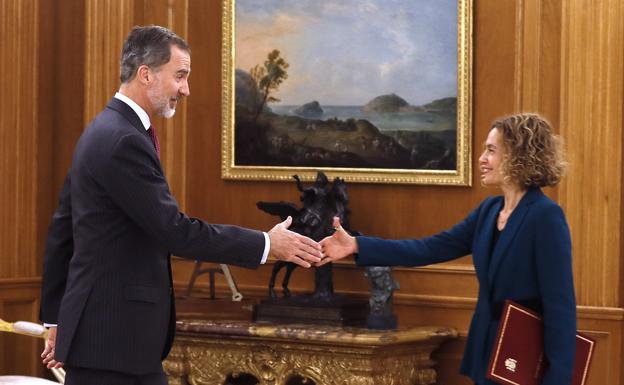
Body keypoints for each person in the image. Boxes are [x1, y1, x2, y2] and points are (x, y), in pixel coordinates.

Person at [39, 25, 322, 385]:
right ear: (146, 74)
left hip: (109, 342)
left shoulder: (103, 131)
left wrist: (56, 318)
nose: (186, 89)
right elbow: (174, 230)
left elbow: (63, 228)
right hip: (114, 342)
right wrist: (267, 245)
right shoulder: (122, 140)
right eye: (180, 76)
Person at [319, 113, 576, 385]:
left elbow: (559, 306)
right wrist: (357, 244)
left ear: (517, 156)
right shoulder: (489, 212)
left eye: (491, 150)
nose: (482, 159)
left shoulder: (545, 216)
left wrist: (558, 379)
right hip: (488, 358)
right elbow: (428, 248)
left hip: (526, 360)